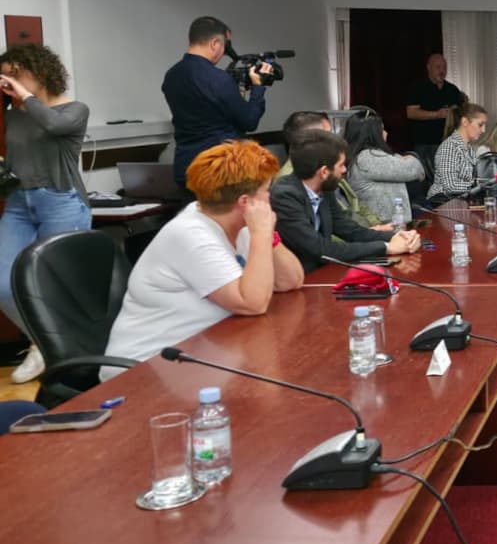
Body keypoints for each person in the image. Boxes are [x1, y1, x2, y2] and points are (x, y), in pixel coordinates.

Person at [102, 141, 304, 378]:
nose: (270, 197)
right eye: (266, 190)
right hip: (145, 370)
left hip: (206, 353)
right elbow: (252, 303)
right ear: (245, 202)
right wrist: (261, 234)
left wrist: (267, 235)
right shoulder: (190, 234)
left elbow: (290, 280)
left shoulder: (240, 224)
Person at [0, 44, 91, 385]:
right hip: (19, 203)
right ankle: (42, 342)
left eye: (15, 74)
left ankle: (68, 356)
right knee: (4, 284)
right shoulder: (13, 115)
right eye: (4, 77)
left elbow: (52, 125)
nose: (9, 82)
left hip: (62, 201)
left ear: (40, 72)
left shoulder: (74, 110)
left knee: (58, 284)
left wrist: (25, 96)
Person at [271, 130, 421, 272]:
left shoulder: (324, 187)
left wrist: (397, 236)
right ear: (324, 172)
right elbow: (320, 249)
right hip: (300, 277)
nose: (344, 170)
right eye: (341, 165)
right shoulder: (285, 196)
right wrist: (387, 247)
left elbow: (350, 230)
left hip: (325, 273)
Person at [162, 16, 274, 189]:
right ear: (214, 43)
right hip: (217, 170)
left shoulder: (171, 75)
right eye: (224, 46)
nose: (223, 52)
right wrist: (258, 86)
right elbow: (249, 121)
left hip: (185, 168)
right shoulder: (218, 78)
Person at [278, 111, 388, 230]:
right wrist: (372, 232)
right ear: (309, 140)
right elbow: (326, 230)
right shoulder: (290, 182)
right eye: (328, 134)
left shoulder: (327, 163)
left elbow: (355, 203)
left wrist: (377, 226)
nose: (334, 139)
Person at [345, 111, 424, 223]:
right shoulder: (368, 157)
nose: (386, 133)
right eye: (381, 129)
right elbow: (413, 169)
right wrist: (412, 156)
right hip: (381, 224)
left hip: (386, 222)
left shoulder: (364, 156)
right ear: (372, 133)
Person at [405, 53, 467, 177]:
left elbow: (463, 111)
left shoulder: (452, 89)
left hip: (447, 144)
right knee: (427, 180)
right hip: (425, 144)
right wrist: (437, 114)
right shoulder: (418, 87)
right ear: (429, 67)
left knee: (447, 178)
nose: (442, 71)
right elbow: (411, 113)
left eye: (444, 67)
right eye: (438, 67)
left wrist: (457, 110)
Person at [427, 103, 489, 201]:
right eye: (480, 125)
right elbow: (450, 186)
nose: (483, 130)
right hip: (443, 202)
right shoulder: (449, 147)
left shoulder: (469, 148)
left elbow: (473, 178)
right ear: (465, 122)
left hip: (459, 199)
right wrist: (480, 185)